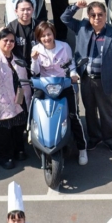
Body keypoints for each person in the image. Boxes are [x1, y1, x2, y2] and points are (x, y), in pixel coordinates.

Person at [64, 0, 112, 154]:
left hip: (104, 80)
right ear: (88, 16)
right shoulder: (82, 28)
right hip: (86, 79)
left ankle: (109, 139)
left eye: (100, 15)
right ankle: (94, 137)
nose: (97, 18)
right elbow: (64, 18)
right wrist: (76, 7)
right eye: (93, 15)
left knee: (107, 111)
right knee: (90, 110)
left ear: (106, 15)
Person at [31, 21, 88, 166]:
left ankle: (82, 148)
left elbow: (71, 64)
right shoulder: (36, 49)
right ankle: (32, 132)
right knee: (34, 104)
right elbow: (35, 72)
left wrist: (73, 74)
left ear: (53, 34)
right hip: (44, 85)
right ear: (39, 37)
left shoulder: (64, 46)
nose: (46, 38)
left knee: (73, 115)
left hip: (63, 84)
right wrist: (34, 60)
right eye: (43, 36)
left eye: (48, 34)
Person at [0, 29, 31, 169]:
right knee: (2, 129)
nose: (9, 43)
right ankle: (3, 156)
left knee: (18, 125)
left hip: (18, 96)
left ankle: (18, 149)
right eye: (5, 40)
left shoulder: (17, 56)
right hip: (0, 100)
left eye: (12, 41)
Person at [7, 0, 38, 69]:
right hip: (17, 65)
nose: (26, 12)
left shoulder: (40, 26)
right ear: (16, 11)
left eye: (28, 9)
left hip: (37, 63)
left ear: (33, 10)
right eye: (22, 10)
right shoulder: (11, 27)